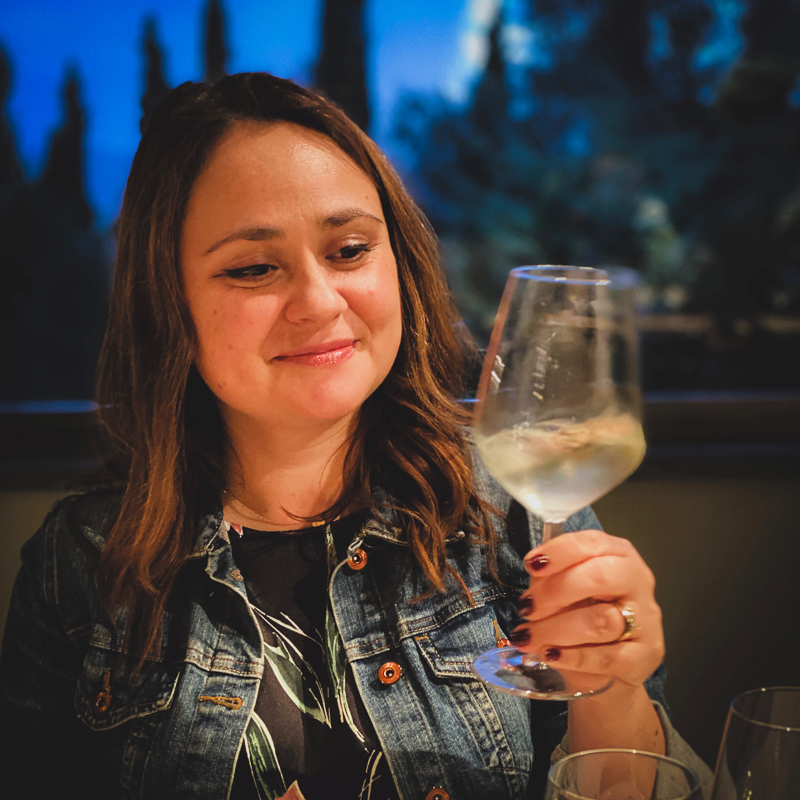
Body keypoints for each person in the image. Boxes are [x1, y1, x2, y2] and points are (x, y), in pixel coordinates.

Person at [0, 73, 713, 799]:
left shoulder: (511, 509)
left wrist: (615, 690)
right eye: (252, 268)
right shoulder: (81, 557)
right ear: (168, 301)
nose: (318, 301)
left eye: (348, 251)